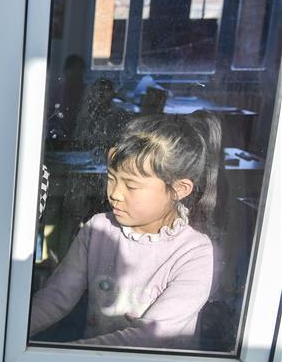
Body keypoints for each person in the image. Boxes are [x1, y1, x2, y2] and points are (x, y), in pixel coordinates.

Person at [29, 112, 221, 348]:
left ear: (179, 189)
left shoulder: (193, 252)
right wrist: (11, 331)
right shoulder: (98, 229)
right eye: (111, 178)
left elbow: (150, 336)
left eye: (131, 185)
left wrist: (72, 356)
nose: (115, 194)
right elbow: (56, 297)